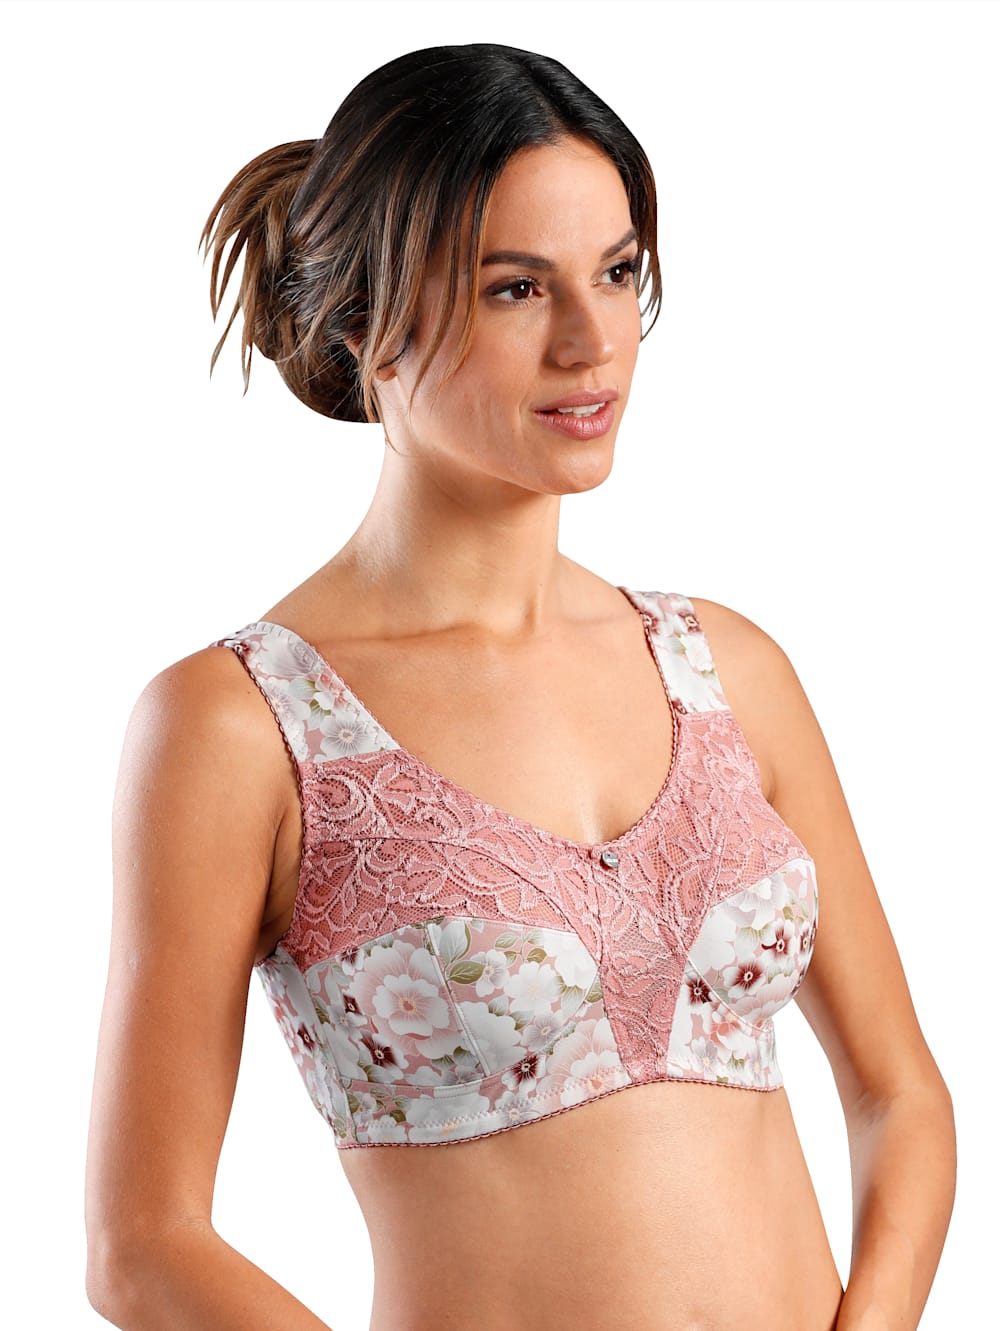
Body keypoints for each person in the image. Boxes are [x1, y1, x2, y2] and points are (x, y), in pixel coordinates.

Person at [84, 42, 955, 1331]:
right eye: (515, 288)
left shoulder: (725, 669)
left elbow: (901, 1097)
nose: (592, 343)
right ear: (362, 323)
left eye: (618, 273)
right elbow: (143, 1245)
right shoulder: (243, 727)